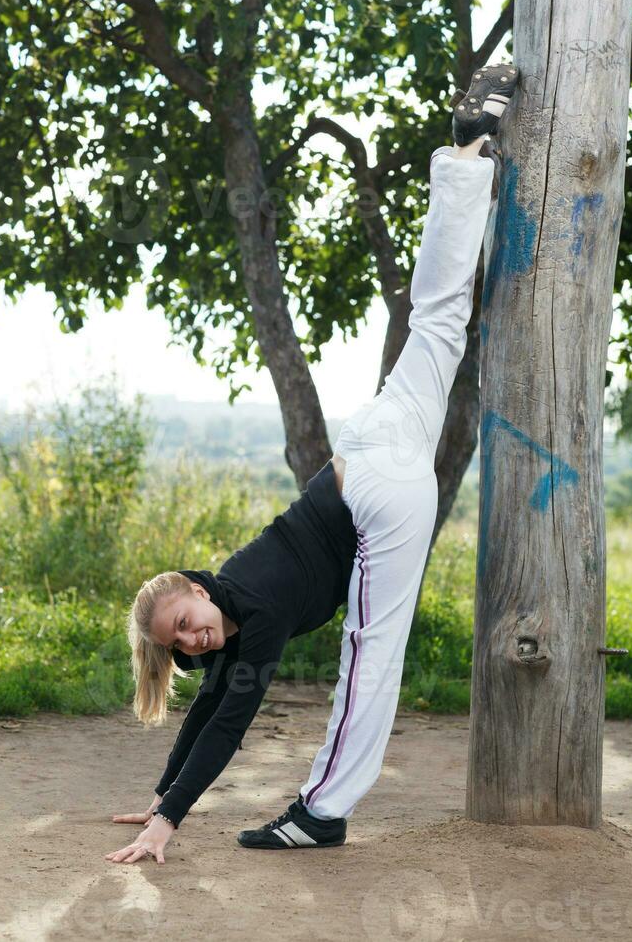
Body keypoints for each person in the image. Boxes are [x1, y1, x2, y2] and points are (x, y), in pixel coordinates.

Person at [105, 62, 520, 864]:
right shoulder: (229, 594)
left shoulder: (250, 612)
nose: (192, 642)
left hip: (377, 490)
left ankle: (322, 812)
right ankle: (468, 161)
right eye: (180, 646)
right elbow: (209, 706)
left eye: (185, 625)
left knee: (372, 650)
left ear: (195, 589)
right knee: (436, 320)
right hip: (371, 444)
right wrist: (160, 796)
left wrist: (169, 825)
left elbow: (228, 720)